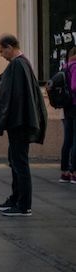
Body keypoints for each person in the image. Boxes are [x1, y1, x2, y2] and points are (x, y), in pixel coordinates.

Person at [0, 34, 47, 217]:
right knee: (15, 161)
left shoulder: (18, 65)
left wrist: (4, 116)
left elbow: (15, 97)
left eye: (1, 50)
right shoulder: (21, 64)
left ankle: (23, 205)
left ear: (10, 47)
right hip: (20, 122)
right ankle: (16, 198)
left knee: (19, 163)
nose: (1, 55)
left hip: (20, 123)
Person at [59, 47, 76, 183]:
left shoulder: (64, 67)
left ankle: (64, 172)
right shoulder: (75, 66)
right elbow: (74, 86)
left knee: (68, 140)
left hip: (66, 107)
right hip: (75, 105)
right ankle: (74, 172)